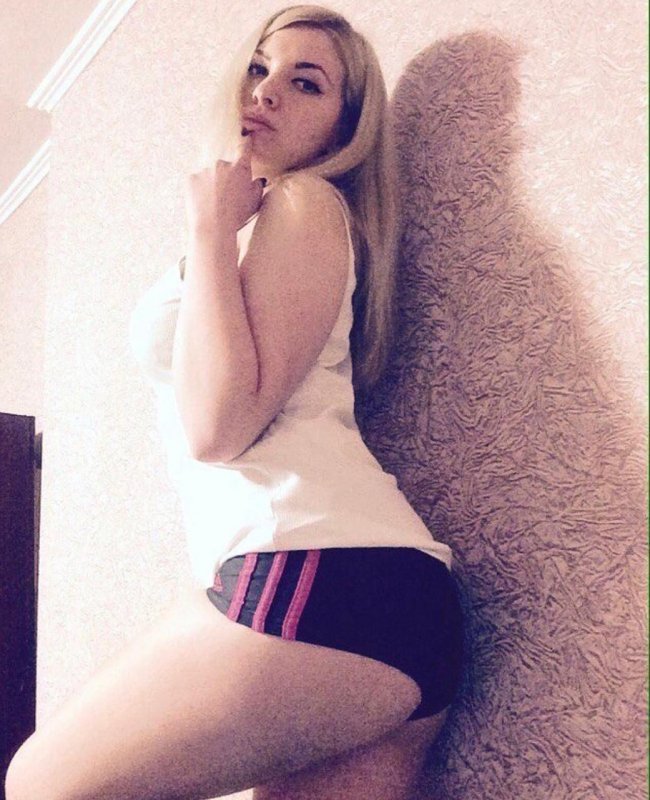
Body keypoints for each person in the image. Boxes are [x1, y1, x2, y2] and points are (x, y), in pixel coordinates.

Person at [5, 6, 463, 799]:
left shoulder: (302, 202)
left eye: (306, 83)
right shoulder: (273, 224)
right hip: (388, 599)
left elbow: (218, 428)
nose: (268, 92)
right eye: (259, 68)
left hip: (317, 569)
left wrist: (210, 231)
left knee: (41, 783)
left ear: (345, 126)